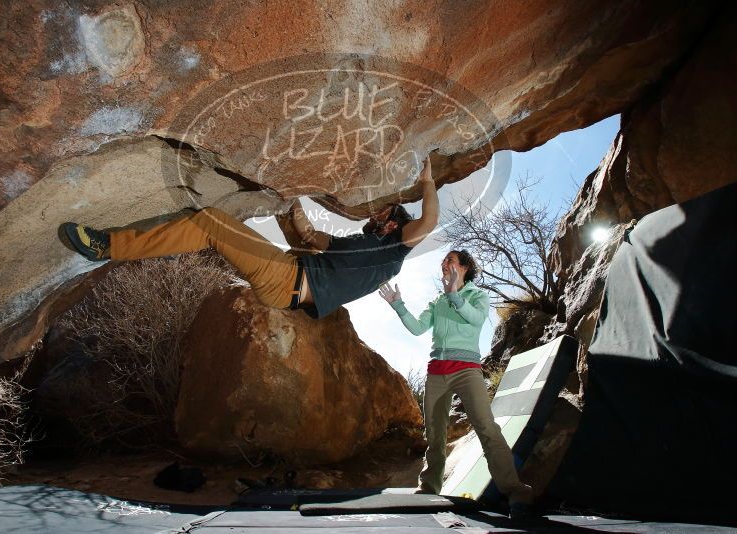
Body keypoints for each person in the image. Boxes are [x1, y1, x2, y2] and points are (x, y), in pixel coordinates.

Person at [60, 157, 438, 319]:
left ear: (394, 226)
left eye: (385, 214)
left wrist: (427, 181)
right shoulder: (357, 246)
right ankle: (133, 247)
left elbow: (428, 222)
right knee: (216, 225)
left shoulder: (391, 255)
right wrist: (292, 200)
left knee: (210, 224)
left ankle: (108, 247)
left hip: (286, 280)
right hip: (288, 276)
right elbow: (308, 236)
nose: (376, 215)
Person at [378, 250, 533, 516]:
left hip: (467, 371)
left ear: (464, 267)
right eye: (443, 262)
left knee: (486, 426)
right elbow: (417, 328)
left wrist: (454, 295)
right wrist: (398, 305)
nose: (444, 264)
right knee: (435, 434)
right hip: (437, 372)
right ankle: (428, 490)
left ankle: (515, 489)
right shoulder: (437, 301)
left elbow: (474, 319)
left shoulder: (477, 296)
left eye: (450, 260)